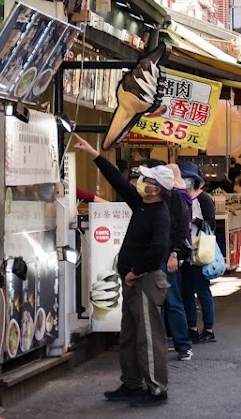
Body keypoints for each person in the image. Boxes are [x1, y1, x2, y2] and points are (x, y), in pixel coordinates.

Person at [74, 137, 178, 400]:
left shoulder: (160, 213)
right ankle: (132, 383)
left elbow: (157, 250)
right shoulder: (142, 203)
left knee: (148, 338)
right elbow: (117, 181)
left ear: (157, 189)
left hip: (144, 281)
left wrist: (135, 272)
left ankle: (157, 389)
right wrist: (94, 154)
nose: (140, 182)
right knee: (130, 336)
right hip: (133, 280)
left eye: (147, 180)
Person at [179, 162, 218, 344]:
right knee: (186, 292)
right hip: (184, 252)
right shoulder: (179, 197)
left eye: (188, 178)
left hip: (201, 251)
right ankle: (192, 328)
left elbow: (211, 225)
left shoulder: (204, 199)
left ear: (195, 180)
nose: (185, 181)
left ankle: (208, 329)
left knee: (202, 291)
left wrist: (193, 219)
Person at [162, 162, 197, 358]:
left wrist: (174, 252)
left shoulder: (176, 197)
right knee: (171, 299)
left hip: (168, 255)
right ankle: (176, 343)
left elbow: (180, 228)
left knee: (173, 300)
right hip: (162, 255)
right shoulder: (179, 195)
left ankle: (183, 345)